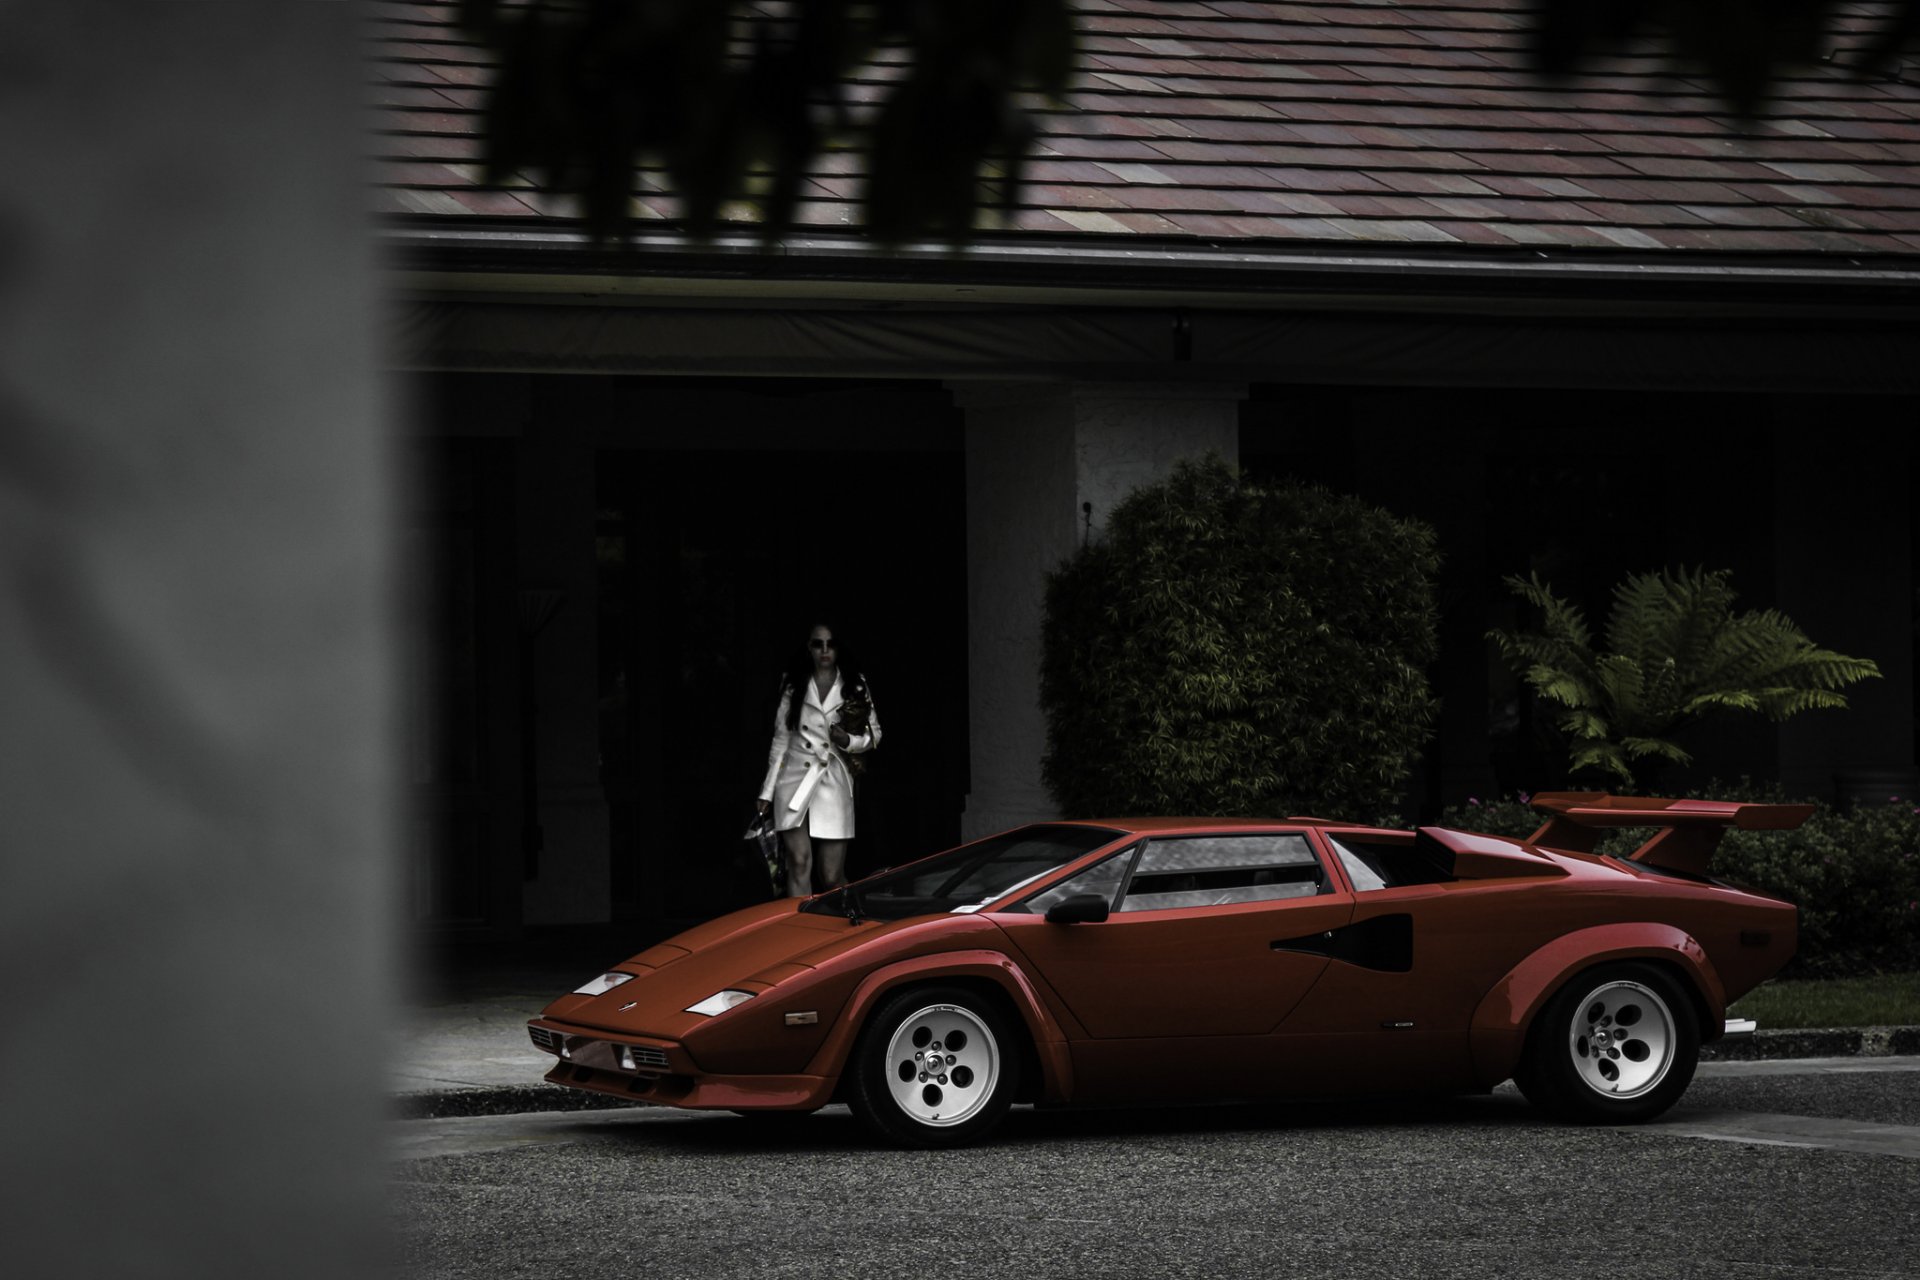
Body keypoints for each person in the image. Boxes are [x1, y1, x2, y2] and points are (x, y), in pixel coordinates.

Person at [756, 623, 880, 896]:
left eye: (830, 644)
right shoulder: (793, 683)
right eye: (817, 644)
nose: (824, 650)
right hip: (793, 780)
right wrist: (766, 791)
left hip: (833, 778)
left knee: (832, 875)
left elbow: (875, 735)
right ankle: (800, 934)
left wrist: (847, 740)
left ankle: (852, 929)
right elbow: (781, 739)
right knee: (798, 863)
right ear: (808, 648)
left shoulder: (855, 684)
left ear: (839, 648)